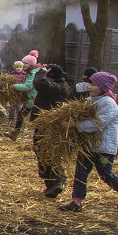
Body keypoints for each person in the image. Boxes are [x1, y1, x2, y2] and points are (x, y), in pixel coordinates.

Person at [59, 71, 118, 212]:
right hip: (88, 145)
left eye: (93, 84)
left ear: (102, 87)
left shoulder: (108, 103)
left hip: (103, 148)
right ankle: (77, 201)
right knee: (80, 172)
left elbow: (98, 123)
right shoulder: (91, 100)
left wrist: (76, 125)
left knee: (106, 175)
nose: (90, 87)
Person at [32, 63, 71, 198]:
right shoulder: (60, 86)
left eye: (47, 75)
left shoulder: (54, 88)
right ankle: (51, 184)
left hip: (47, 125)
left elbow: (38, 82)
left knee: (45, 151)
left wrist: (41, 71)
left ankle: (58, 179)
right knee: (44, 151)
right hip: (46, 123)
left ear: (52, 77)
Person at [9, 54, 39, 139]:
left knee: (36, 119)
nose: (23, 65)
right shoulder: (30, 72)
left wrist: (15, 86)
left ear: (31, 64)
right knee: (21, 115)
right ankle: (14, 134)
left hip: (33, 100)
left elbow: (27, 86)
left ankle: (38, 137)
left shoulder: (33, 74)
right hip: (30, 99)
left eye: (25, 63)